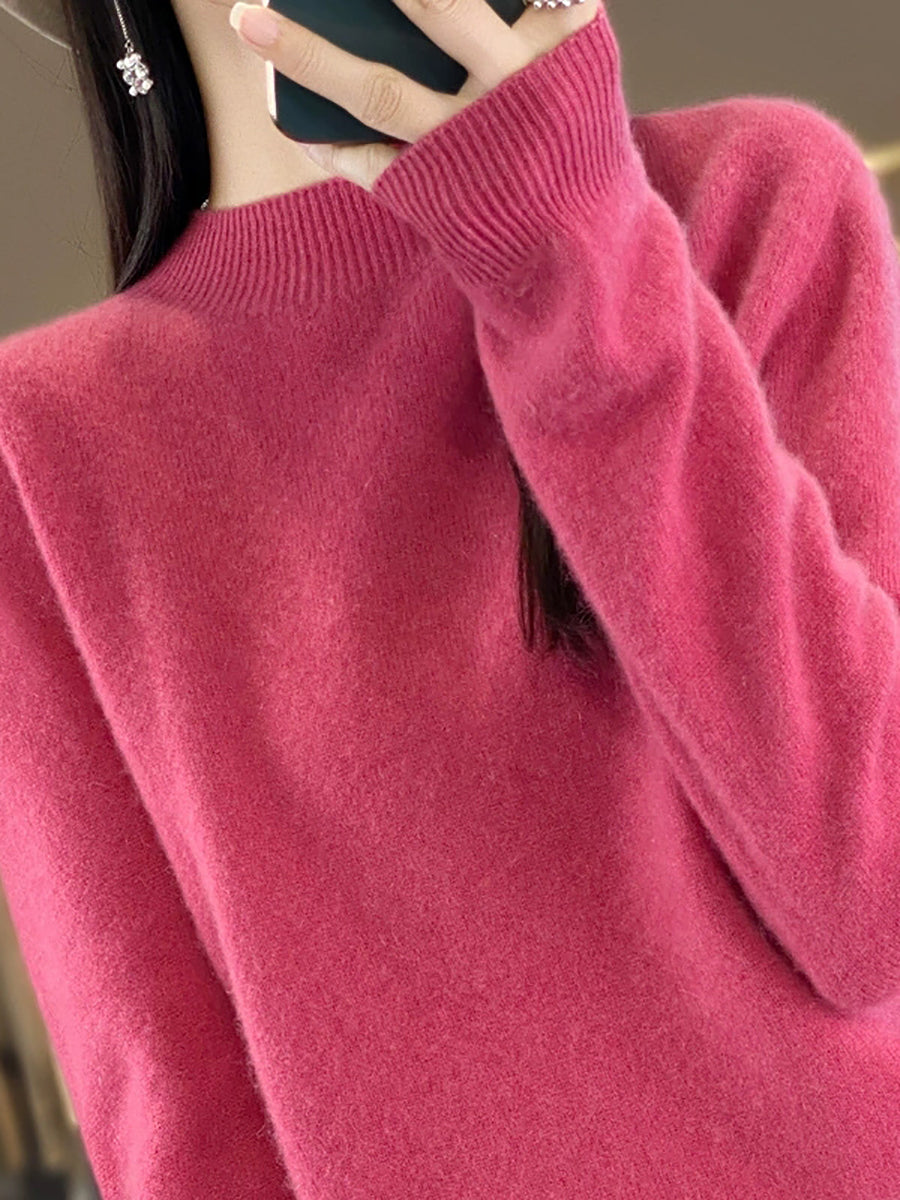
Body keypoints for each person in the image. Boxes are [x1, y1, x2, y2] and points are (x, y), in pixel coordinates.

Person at [1, 1, 900, 1197]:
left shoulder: (757, 199)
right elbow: (179, 1129)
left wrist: (569, 244)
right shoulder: (42, 454)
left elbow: (871, 907)